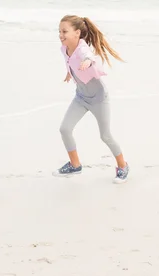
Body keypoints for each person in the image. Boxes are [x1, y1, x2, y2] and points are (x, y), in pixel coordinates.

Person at [54, 15, 129, 183]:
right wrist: (68, 73)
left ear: (77, 33)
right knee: (64, 129)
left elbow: (89, 56)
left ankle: (123, 166)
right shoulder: (63, 48)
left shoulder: (82, 48)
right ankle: (75, 165)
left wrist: (87, 62)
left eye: (64, 31)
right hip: (80, 97)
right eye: (59, 31)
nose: (61, 34)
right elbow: (69, 62)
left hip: (99, 99)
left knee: (105, 136)